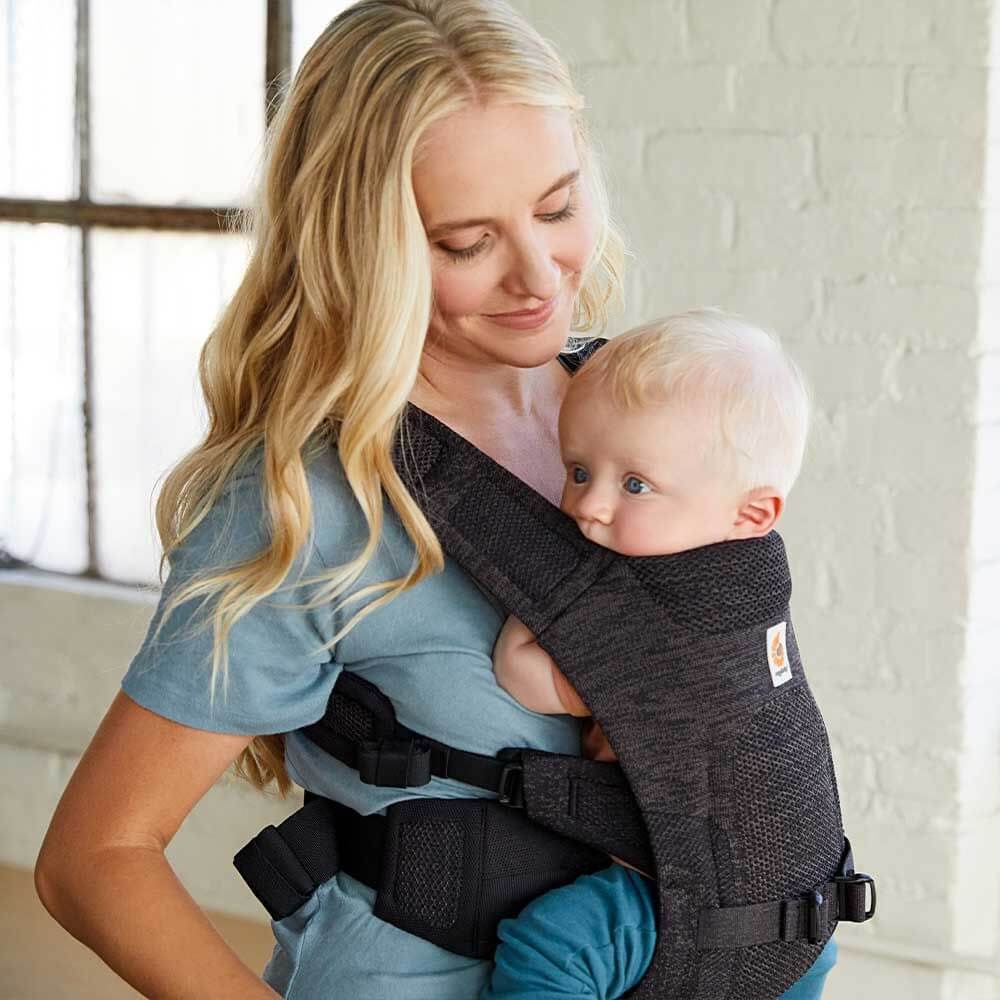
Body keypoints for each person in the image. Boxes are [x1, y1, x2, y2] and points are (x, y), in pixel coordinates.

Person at [33, 2, 626, 997]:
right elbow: (93, 859)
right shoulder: (303, 501)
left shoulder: (637, 418)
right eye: (467, 242)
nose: (537, 275)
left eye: (558, 208)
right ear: (362, 246)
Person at [481, 310, 839, 1000]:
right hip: (806, 915)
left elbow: (521, 673)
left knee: (551, 948)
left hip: (693, 900)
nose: (589, 505)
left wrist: (546, 585)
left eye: (635, 484)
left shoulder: (660, 625)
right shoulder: (748, 594)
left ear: (751, 513)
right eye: (578, 470)